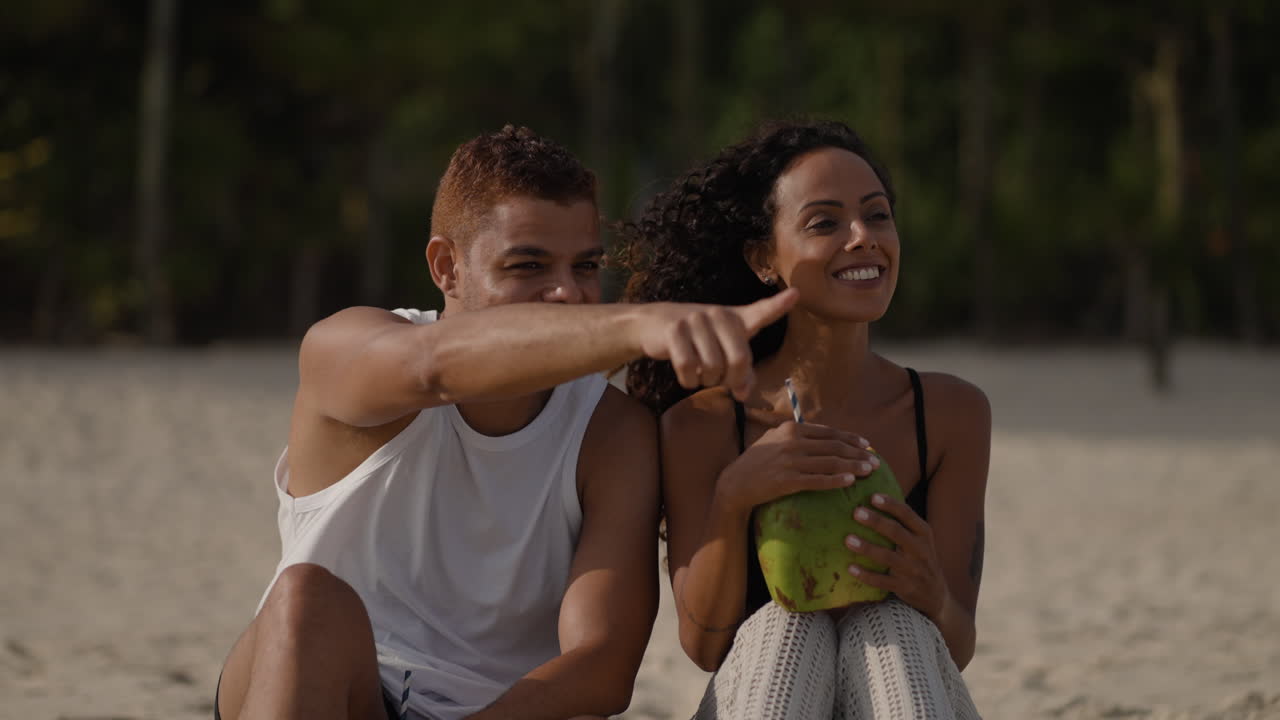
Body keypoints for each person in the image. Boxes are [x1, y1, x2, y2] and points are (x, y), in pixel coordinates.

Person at [213, 125, 798, 720]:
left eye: (587, 266)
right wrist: (639, 326)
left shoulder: (611, 432)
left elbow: (603, 665)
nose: (568, 293)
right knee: (303, 598)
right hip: (326, 689)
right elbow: (431, 367)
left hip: (496, 713)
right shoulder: (347, 349)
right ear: (447, 267)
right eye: (529, 266)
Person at [619, 119, 991, 719]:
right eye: (825, 223)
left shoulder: (951, 414)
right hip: (767, 692)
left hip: (906, 684)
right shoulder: (704, 425)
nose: (862, 238)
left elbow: (957, 644)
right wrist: (735, 496)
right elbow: (705, 647)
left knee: (897, 622)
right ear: (764, 259)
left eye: (877, 215)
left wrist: (933, 594)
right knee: (784, 629)